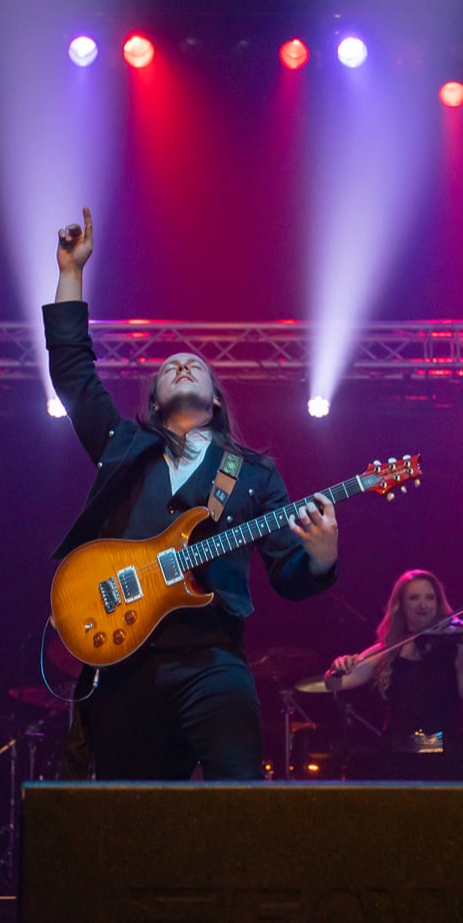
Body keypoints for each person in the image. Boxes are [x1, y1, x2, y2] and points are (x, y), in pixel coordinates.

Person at [45, 207, 341, 780]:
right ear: (155, 401)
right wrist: (71, 272)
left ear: (217, 399)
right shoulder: (124, 447)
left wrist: (322, 558)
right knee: (131, 811)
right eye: (170, 367)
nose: (182, 365)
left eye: (195, 365)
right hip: (125, 660)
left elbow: (288, 574)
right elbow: (73, 372)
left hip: (213, 659)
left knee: (236, 795)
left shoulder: (253, 472)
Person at [325, 570, 463, 781]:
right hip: (398, 761)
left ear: (438, 603)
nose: (423, 605)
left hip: (446, 761)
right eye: (414, 598)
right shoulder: (388, 650)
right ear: (401, 606)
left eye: (430, 598)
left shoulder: (455, 644)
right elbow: (335, 683)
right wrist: (336, 669)